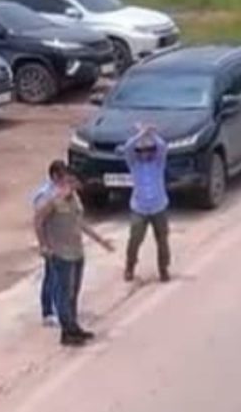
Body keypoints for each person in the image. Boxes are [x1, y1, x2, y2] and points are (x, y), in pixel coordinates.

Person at [34, 164, 114, 347]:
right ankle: (67, 331)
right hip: (60, 253)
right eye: (69, 181)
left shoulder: (74, 199)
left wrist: (101, 241)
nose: (74, 185)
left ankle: (73, 327)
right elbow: (38, 221)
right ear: (59, 180)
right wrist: (44, 246)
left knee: (73, 292)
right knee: (63, 293)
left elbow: (80, 223)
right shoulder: (50, 199)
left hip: (77, 251)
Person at [121, 123, 172, 283]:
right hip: (139, 208)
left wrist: (151, 134)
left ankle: (163, 269)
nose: (145, 153)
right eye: (142, 151)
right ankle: (130, 266)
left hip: (159, 207)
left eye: (149, 150)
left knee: (162, 240)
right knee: (134, 239)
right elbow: (127, 148)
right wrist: (140, 134)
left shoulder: (158, 164)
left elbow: (163, 146)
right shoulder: (134, 165)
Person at [32, 165, 62, 325]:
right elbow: (38, 222)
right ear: (55, 176)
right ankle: (48, 311)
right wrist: (43, 245)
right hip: (50, 242)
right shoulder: (44, 195)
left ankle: (58, 308)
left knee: (58, 276)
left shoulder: (60, 192)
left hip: (60, 242)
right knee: (51, 277)